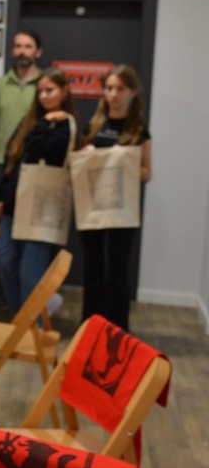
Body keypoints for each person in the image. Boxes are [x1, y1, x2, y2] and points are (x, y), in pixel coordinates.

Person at [0, 67, 76, 314]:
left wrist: (47, 123)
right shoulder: (30, 121)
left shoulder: (66, 125)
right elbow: (13, 159)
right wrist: (2, 196)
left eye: (50, 90)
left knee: (30, 273)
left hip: (42, 206)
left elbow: (42, 149)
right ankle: (24, 318)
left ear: (64, 92)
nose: (43, 96)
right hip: (14, 201)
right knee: (4, 262)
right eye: (40, 91)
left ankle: (33, 325)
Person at [79, 65, 151, 330]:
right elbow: (80, 167)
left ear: (132, 92)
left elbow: (147, 172)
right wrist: (86, 154)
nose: (113, 94)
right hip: (94, 206)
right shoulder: (94, 125)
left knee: (118, 272)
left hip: (122, 209)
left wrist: (124, 161)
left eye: (120, 88)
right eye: (109, 88)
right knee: (93, 270)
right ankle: (89, 327)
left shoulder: (138, 130)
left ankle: (118, 331)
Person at [0, 30, 44, 191]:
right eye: (18, 46)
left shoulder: (45, 84)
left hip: (34, 160)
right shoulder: (0, 84)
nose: (22, 51)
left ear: (38, 52)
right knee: (0, 204)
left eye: (28, 47)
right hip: (4, 159)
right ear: (12, 51)